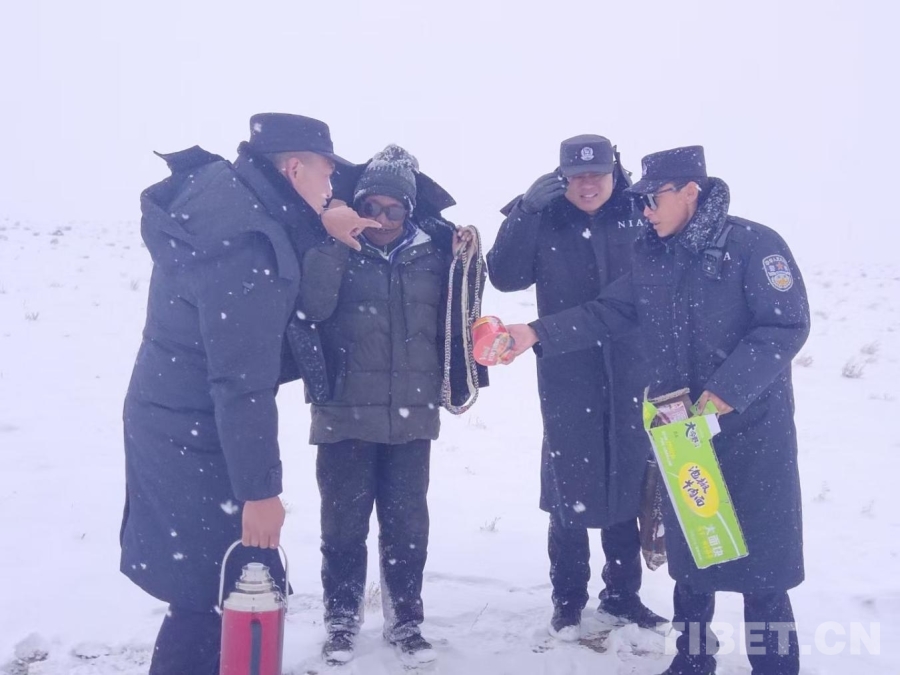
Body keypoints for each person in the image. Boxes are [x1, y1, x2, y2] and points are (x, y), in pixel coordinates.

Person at [504, 146, 810, 675]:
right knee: (693, 559)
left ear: (690, 191)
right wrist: (536, 332)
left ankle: (775, 666)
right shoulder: (652, 254)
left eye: (653, 198)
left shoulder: (754, 245)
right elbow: (609, 312)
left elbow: (784, 325)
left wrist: (724, 392)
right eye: (640, 200)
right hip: (682, 430)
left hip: (752, 433)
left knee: (763, 564)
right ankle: (692, 660)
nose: (644, 210)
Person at [120, 113, 377, 675]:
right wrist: (260, 493)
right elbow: (242, 383)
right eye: (326, 173)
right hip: (198, 429)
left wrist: (321, 226)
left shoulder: (229, 198)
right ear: (294, 168)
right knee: (211, 593)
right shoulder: (248, 244)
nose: (331, 186)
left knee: (205, 589)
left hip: (175, 417)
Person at [295, 144, 484, 666]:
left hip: (412, 417)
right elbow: (311, 308)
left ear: (409, 211)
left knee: (407, 528)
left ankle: (405, 621)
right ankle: (341, 619)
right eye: (371, 207)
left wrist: (463, 250)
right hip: (343, 417)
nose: (381, 219)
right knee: (342, 527)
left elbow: (461, 313)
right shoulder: (330, 246)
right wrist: (335, 241)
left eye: (394, 209)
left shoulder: (435, 255)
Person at [486, 135, 665, 640]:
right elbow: (505, 276)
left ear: (615, 173)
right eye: (576, 176)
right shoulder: (545, 217)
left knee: (627, 477)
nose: (588, 186)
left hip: (633, 367)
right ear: (560, 177)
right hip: (566, 367)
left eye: (597, 175)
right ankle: (567, 601)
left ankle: (623, 596)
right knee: (570, 484)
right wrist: (522, 214)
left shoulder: (639, 213)